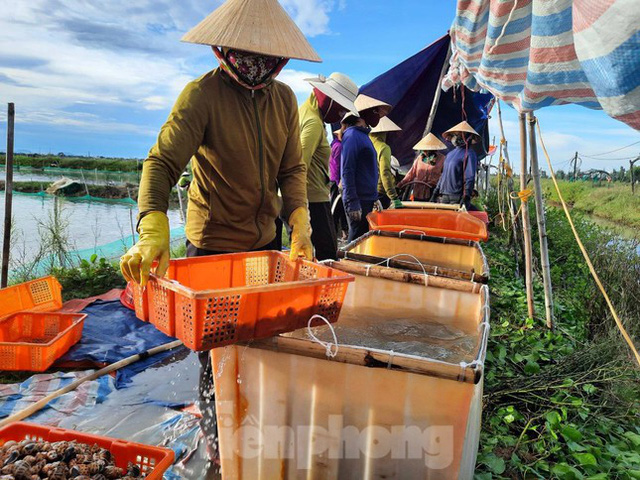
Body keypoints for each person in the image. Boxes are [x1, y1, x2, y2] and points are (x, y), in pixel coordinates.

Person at [119, 0, 319, 464]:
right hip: (212, 245)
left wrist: (301, 225)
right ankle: (219, 443)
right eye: (245, 55)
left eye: (265, 59)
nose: (255, 67)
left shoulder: (285, 98)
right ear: (222, 49)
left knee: (263, 336)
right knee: (218, 351)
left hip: (264, 242)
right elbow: (161, 164)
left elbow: (292, 169)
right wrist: (152, 230)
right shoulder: (201, 96)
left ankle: (254, 419)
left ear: (280, 58)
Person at [300, 73, 358, 260]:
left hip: (312, 194)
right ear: (331, 100)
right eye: (341, 110)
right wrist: (299, 209)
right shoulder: (313, 124)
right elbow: (299, 164)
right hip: (312, 198)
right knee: (327, 253)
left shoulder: (306, 111)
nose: (341, 116)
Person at [340, 112, 379, 241]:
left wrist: (374, 196)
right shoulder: (352, 136)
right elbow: (347, 170)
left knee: (362, 239)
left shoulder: (362, 136)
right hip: (359, 199)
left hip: (366, 198)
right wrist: (352, 202)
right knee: (356, 240)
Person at [430, 121, 481, 209]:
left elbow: (470, 177)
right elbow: (443, 175)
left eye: (459, 135)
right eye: (455, 135)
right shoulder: (450, 154)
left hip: (457, 197)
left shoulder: (469, 154)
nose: (455, 137)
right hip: (444, 196)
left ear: (467, 137)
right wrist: (435, 192)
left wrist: (466, 196)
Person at [397, 133, 447, 202]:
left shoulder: (442, 159)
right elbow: (411, 174)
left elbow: (444, 176)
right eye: (423, 149)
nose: (424, 151)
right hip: (417, 192)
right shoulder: (419, 158)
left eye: (427, 149)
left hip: (432, 192)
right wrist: (400, 184)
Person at [369, 116, 402, 209]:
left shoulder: (366, 142)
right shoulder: (383, 147)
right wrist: (394, 197)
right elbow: (385, 173)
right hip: (380, 193)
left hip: (366, 190)